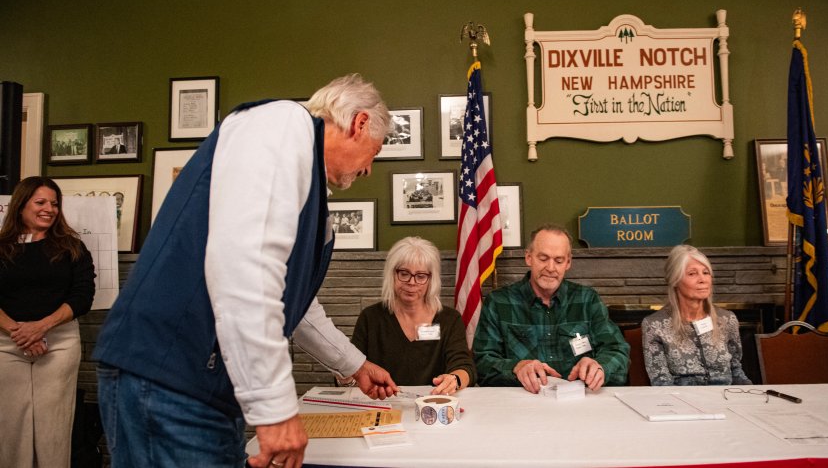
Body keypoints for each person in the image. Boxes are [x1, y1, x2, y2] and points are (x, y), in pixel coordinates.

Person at [93, 74, 400, 468]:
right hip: (169, 379)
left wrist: (354, 365)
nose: (369, 169)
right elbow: (246, 269)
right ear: (359, 124)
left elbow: (295, 305)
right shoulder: (283, 123)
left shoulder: (310, 189)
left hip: (206, 389)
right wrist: (273, 408)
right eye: (373, 153)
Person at [0, 176, 96, 467]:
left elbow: (83, 296)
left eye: (54, 203)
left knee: (53, 426)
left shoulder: (72, 247)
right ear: (20, 206)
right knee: (11, 425)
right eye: (40, 202)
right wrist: (18, 332)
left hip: (58, 342)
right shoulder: (2, 247)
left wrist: (41, 327)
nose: (49, 209)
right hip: (7, 341)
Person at [473, 224, 629, 393]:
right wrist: (515, 367)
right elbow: (482, 362)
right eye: (543, 258)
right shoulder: (498, 302)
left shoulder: (587, 300)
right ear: (528, 258)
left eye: (559, 260)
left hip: (579, 401)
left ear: (568, 263)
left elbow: (617, 350)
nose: (551, 268)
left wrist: (600, 367)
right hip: (522, 402)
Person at [345, 237, 476, 395]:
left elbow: (466, 367)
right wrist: (345, 375)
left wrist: (454, 379)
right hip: (382, 405)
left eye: (421, 276)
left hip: (433, 404)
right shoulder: (370, 318)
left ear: (431, 279)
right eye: (404, 273)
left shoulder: (450, 319)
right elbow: (351, 370)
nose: (412, 282)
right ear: (392, 274)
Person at [642, 245, 752, 386]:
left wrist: (750, 396)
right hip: (682, 402)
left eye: (706, 273)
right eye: (692, 274)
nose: (702, 279)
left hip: (726, 399)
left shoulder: (727, 320)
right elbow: (662, 383)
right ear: (675, 280)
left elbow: (736, 370)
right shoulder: (654, 325)